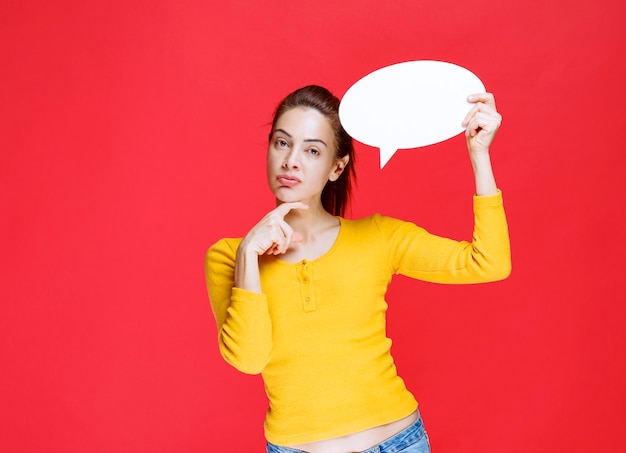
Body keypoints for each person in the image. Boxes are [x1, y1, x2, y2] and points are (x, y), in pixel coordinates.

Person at [204, 85, 511, 453]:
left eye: (312, 150)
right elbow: (250, 359)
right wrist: (248, 255)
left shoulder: (378, 236)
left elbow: (488, 262)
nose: (291, 161)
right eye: (282, 143)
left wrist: (479, 155)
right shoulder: (230, 256)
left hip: (398, 443)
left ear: (337, 166)